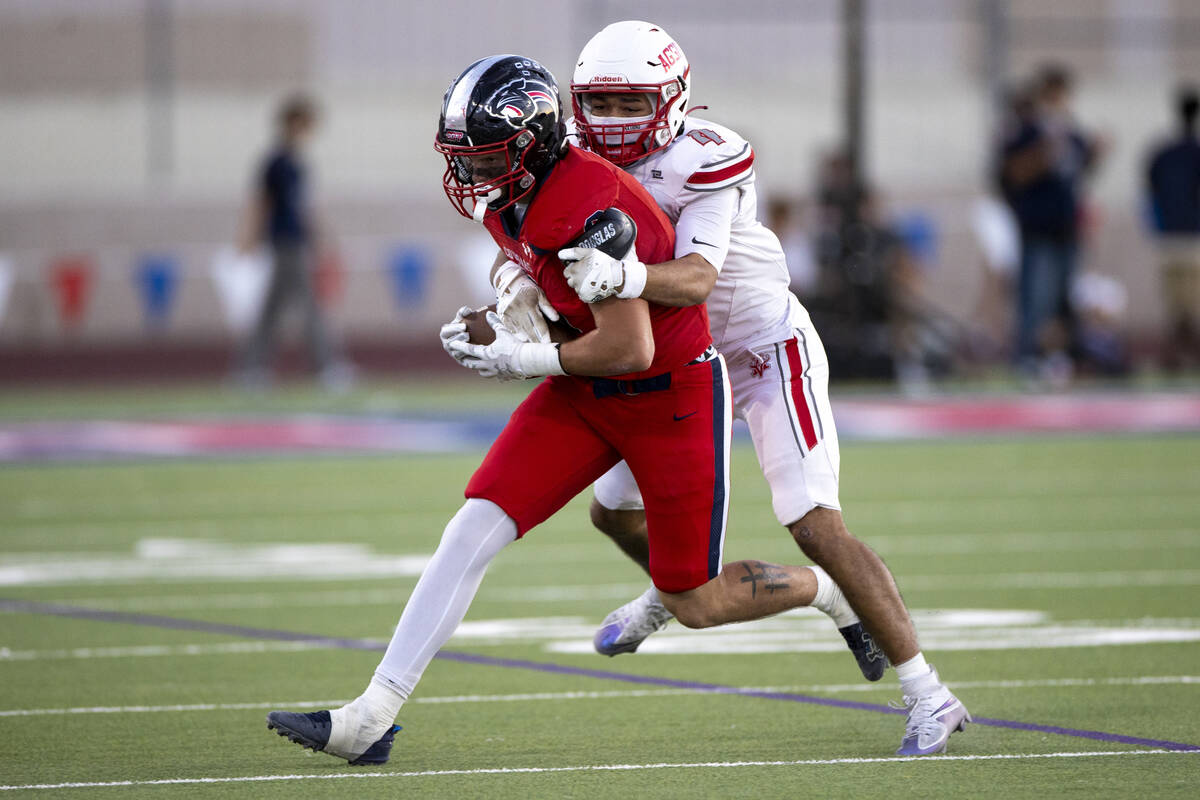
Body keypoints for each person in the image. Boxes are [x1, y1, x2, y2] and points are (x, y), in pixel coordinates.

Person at [266, 54, 869, 766]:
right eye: (466, 157)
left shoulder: (590, 205)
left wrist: (520, 358)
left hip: (667, 395)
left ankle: (825, 591)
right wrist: (510, 292)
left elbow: (630, 347)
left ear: (534, 142)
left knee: (695, 601)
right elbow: (530, 261)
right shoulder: (513, 191)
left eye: (487, 156)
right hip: (589, 388)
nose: (473, 174)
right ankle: (371, 717)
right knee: (472, 528)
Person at [559, 20, 967, 756]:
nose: (614, 122)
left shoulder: (705, 159)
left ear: (675, 99)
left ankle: (930, 694)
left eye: (631, 104)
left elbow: (696, 280)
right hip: (677, 362)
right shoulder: (573, 156)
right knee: (612, 515)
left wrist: (621, 276)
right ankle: (673, 587)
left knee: (814, 524)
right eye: (602, 104)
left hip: (760, 347)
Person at [235, 94, 352, 389]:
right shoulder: (277, 162)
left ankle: (252, 368)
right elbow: (261, 201)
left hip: (295, 240)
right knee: (308, 305)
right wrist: (248, 236)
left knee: (272, 307)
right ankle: (325, 366)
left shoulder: (296, 163)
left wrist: (320, 236)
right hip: (285, 242)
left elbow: (305, 206)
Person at [1000, 64, 1104, 382]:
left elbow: (1077, 175)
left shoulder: (1071, 133)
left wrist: (1097, 153)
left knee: (1063, 296)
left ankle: (1063, 357)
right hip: (1038, 227)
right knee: (1036, 296)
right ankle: (1027, 358)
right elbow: (1013, 174)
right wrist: (1042, 155)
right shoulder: (1028, 132)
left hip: (1065, 226)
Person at [1146, 86, 1200, 370]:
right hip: (1191, 234)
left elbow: (1149, 192)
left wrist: (1157, 223)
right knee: (1189, 298)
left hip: (1168, 233)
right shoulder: (1188, 152)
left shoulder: (1163, 153)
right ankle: (1182, 354)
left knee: (1177, 298)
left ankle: (1178, 354)